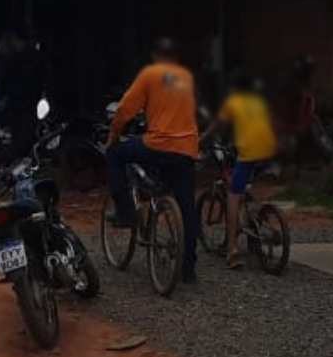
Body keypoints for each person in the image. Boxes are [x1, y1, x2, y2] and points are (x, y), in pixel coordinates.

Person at [107, 38, 201, 285]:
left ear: (156, 55)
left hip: (159, 144)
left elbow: (126, 109)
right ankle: (188, 268)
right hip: (187, 148)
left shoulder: (151, 74)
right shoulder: (186, 77)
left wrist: (113, 136)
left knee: (116, 155)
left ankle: (126, 212)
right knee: (186, 207)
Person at [203, 69, 276, 270]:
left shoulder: (233, 101)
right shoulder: (258, 101)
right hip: (269, 152)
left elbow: (218, 125)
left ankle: (233, 249)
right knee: (247, 185)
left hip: (250, 153)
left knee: (233, 195)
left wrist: (202, 138)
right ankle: (254, 228)